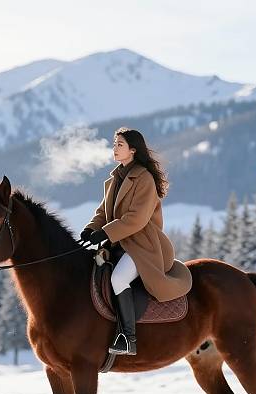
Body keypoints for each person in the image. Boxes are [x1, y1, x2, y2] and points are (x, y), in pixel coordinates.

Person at [80, 127, 192, 356]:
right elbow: (103, 211)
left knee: (119, 278)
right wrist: (91, 228)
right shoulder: (113, 179)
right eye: (114, 143)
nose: (115, 148)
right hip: (117, 244)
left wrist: (105, 233)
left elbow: (136, 219)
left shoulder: (144, 179)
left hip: (142, 245)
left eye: (119, 144)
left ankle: (127, 337)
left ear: (132, 150)